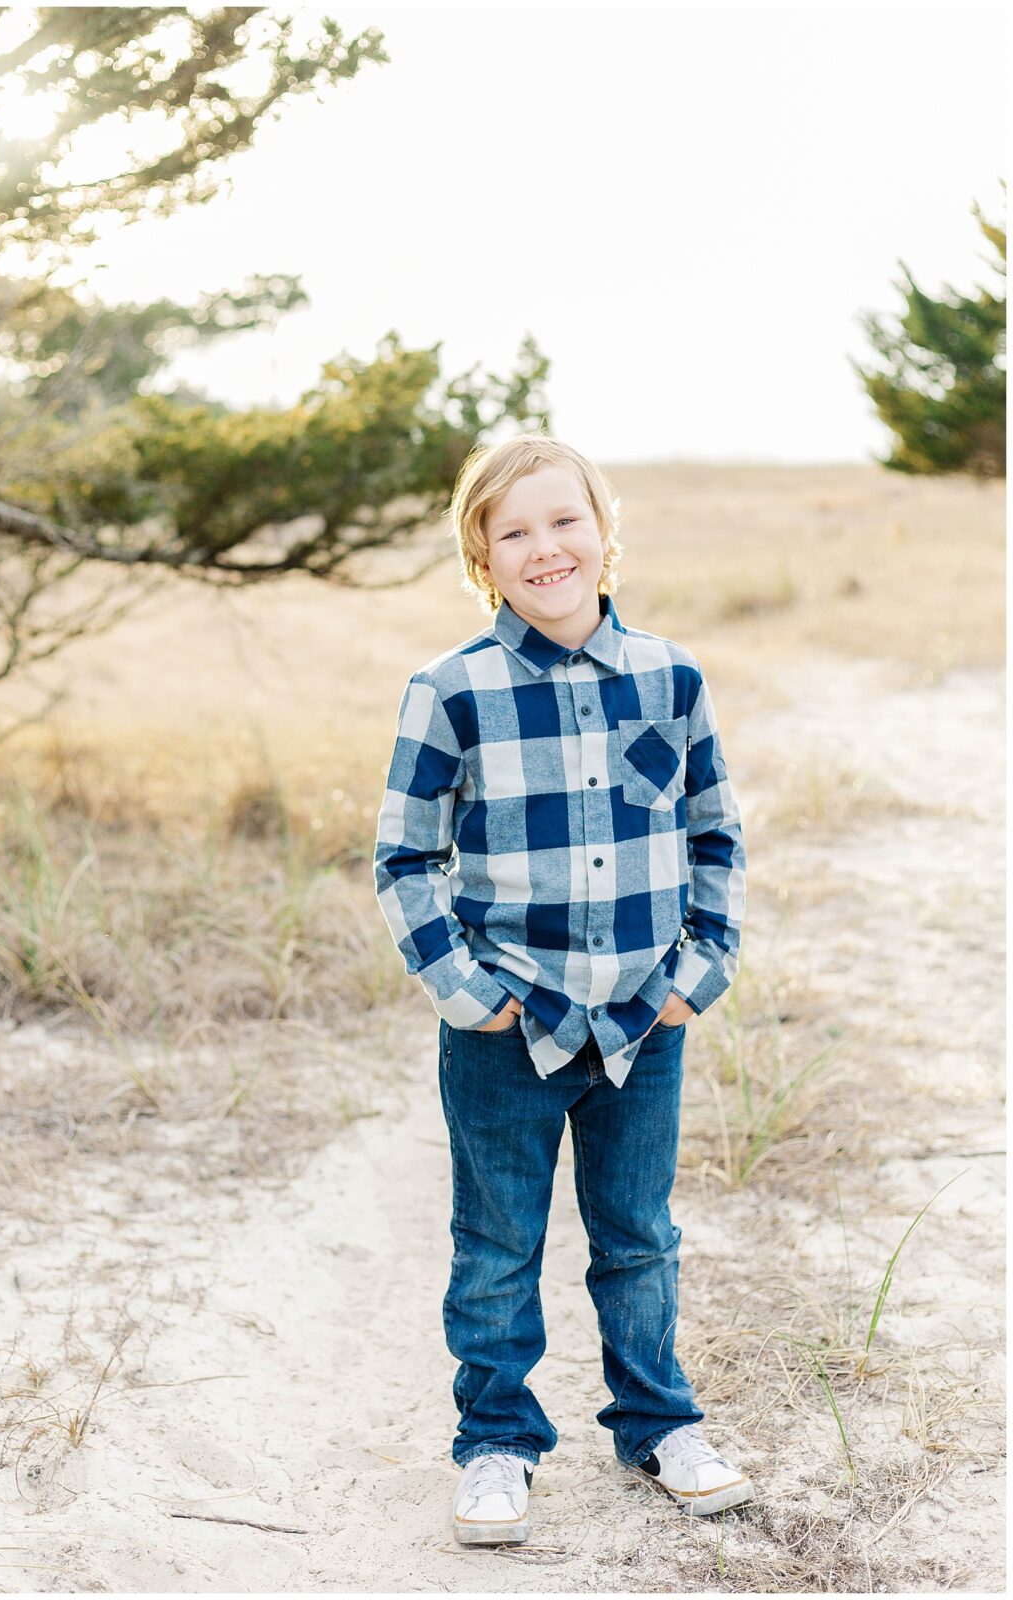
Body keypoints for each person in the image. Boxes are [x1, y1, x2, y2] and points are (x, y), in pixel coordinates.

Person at [373, 433, 753, 1545]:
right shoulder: (452, 691)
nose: (545, 547)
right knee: (495, 1243)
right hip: (509, 1023)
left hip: (645, 1017)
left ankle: (657, 1423)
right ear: (481, 557)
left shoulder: (668, 677)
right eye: (514, 530)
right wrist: (465, 990)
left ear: (603, 534)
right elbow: (404, 857)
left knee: (637, 1233)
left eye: (563, 520)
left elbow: (714, 831)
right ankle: (496, 1440)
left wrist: (701, 968)